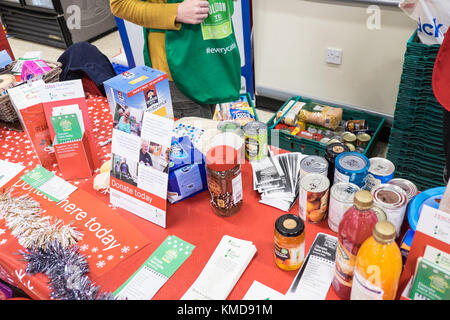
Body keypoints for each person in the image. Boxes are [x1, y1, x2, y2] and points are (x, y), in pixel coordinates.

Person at [110, 0, 241, 119]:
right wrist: (175, 12)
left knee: (207, 130)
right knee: (192, 141)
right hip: (178, 74)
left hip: (212, 59)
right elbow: (120, 4)